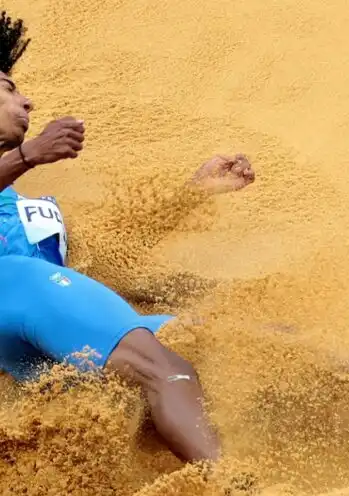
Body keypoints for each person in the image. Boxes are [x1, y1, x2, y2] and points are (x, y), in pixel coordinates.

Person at [0, 12, 256, 465]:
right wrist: (30, 153)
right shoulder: (23, 164)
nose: (28, 100)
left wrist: (193, 194)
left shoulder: (31, 207)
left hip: (33, 349)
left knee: (239, 341)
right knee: (165, 369)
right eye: (8, 88)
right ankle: (235, 494)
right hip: (16, 293)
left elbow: (103, 265)